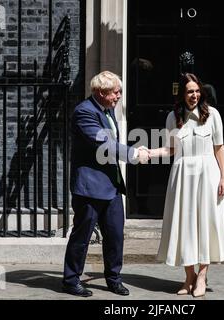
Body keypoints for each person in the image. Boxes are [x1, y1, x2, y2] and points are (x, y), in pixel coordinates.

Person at [62, 71, 149, 297]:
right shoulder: (84, 112)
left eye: (119, 91)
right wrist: (133, 154)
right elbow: (104, 145)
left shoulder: (107, 109)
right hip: (89, 187)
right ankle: (71, 280)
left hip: (111, 185)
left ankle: (114, 278)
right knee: (82, 236)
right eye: (115, 92)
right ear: (101, 92)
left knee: (115, 235)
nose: (119, 96)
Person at [149, 73, 224, 297]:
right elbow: (170, 149)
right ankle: (188, 277)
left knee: (205, 224)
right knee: (185, 225)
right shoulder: (172, 117)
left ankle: (202, 276)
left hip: (208, 173)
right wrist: (149, 152)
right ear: (182, 95)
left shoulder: (212, 114)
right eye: (189, 92)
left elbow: (219, 147)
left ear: (201, 92)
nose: (193, 95)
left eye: (196, 91)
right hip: (182, 175)